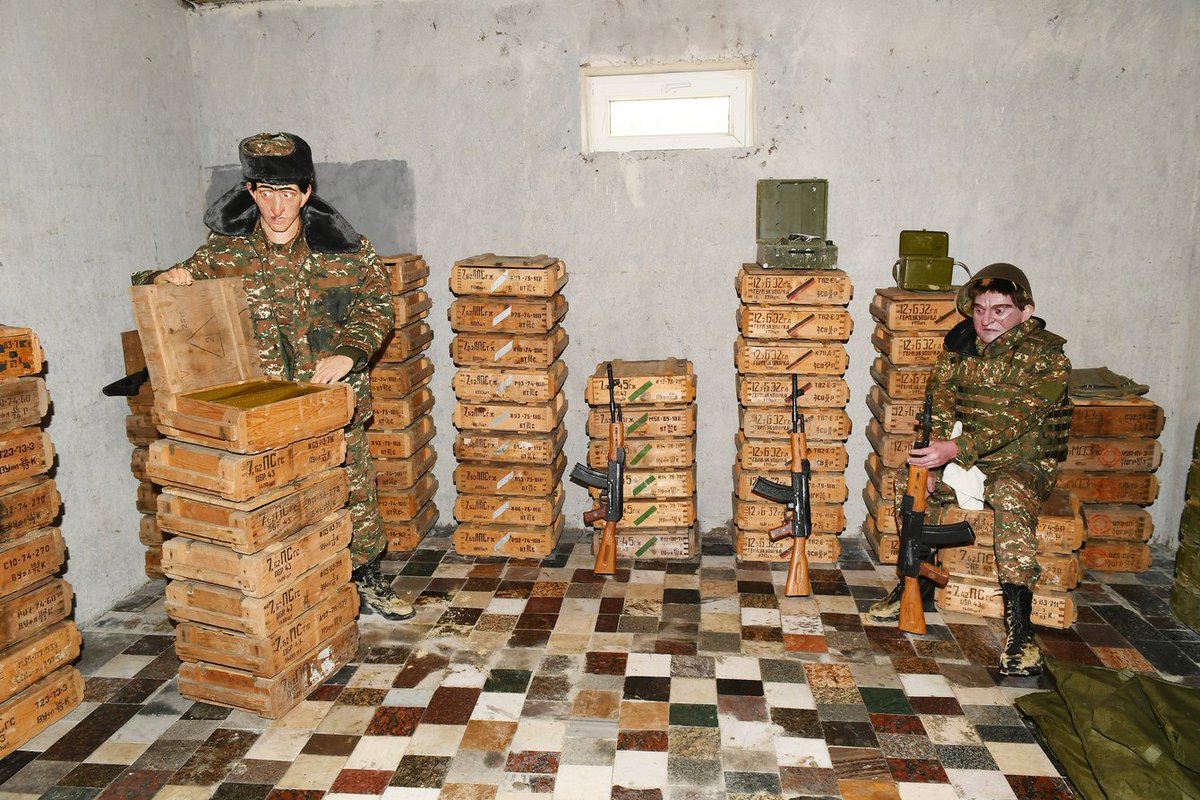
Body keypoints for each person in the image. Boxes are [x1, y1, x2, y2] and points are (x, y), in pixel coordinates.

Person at [133, 132, 413, 621]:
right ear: (249, 191)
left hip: (331, 399)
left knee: (355, 487)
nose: (277, 207)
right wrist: (162, 280)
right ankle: (296, 582)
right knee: (278, 498)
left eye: (287, 194)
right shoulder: (224, 252)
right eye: (265, 192)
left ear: (307, 192)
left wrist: (349, 354)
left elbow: (377, 306)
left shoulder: (346, 249)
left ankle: (368, 576)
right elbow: (158, 282)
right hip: (262, 408)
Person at [868, 263, 1071, 676]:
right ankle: (916, 583)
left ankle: (1021, 627)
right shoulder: (958, 348)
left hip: (1023, 461)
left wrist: (956, 449)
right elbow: (939, 406)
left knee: (1009, 494)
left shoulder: (1048, 357)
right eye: (980, 310)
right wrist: (933, 452)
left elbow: (1019, 417)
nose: (986, 320)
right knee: (910, 481)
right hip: (966, 457)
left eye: (1000, 310)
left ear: (1025, 312)